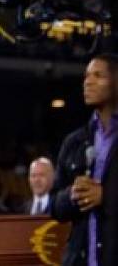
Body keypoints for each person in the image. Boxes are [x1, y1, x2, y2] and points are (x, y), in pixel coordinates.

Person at [52, 53, 118, 266]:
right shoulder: (74, 141)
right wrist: (72, 195)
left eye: (98, 75)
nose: (88, 82)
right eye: (86, 76)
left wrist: (106, 197)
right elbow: (54, 206)